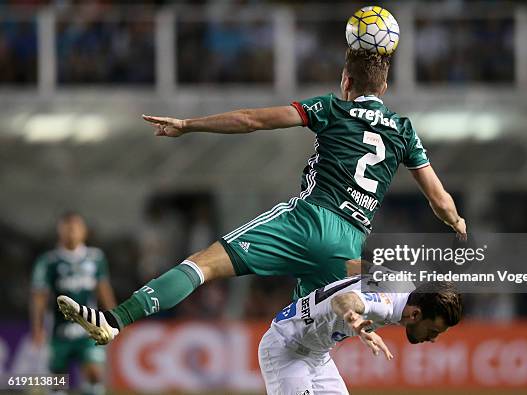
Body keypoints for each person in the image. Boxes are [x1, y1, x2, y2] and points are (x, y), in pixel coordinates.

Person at [56, 48, 466, 345]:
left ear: (346, 82)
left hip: (308, 220)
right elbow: (440, 200)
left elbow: (251, 119)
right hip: (349, 248)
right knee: (306, 343)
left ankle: (115, 319)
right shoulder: (403, 129)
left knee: (204, 265)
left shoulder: (331, 108)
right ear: (386, 86)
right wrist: (458, 225)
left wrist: (188, 124)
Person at [259, 277, 463, 394]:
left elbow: (360, 268)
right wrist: (356, 322)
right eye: (433, 331)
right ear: (416, 314)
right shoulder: (384, 306)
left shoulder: (406, 286)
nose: (433, 339)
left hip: (318, 356)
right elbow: (342, 300)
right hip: (286, 351)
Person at [31, 212, 116, 395]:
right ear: (59, 232)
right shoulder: (48, 261)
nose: (72, 232)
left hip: (88, 329)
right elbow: (39, 297)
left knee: (94, 373)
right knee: (58, 381)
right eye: (67, 228)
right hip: (58, 331)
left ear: (84, 231)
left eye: (76, 228)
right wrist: (37, 327)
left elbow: (103, 289)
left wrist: (114, 317)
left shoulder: (95, 258)